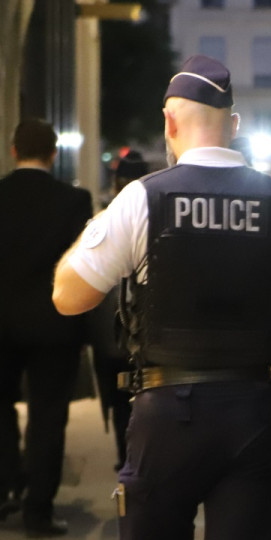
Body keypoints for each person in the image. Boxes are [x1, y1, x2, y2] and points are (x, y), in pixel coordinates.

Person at [51, 55, 271, 540]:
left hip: (167, 415)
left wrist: (97, 228)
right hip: (258, 414)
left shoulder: (143, 198)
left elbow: (68, 297)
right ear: (233, 126)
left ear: (169, 121)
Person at [0, 118, 93, 537]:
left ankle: (4, 489)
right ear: (54, 154)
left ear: (14, 150)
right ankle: (38, 509)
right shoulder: (74, 201)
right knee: (49, 415)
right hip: (55, 327)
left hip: (1, 325)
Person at [84, 150, 149, 472]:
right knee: (146, 397)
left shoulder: (99, 221)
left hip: (106, 333)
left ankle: (125, 457)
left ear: (115, 183)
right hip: (147, 334)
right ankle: (137, 456)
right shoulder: (156, 220)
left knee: (117, 399)